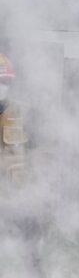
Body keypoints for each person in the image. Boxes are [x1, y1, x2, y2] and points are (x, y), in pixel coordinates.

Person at [0, 53, 26, 185]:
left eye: (6, 82)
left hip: (8, 193)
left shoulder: (16, 112)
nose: (3, 86)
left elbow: (19, 157)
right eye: (1, 81)